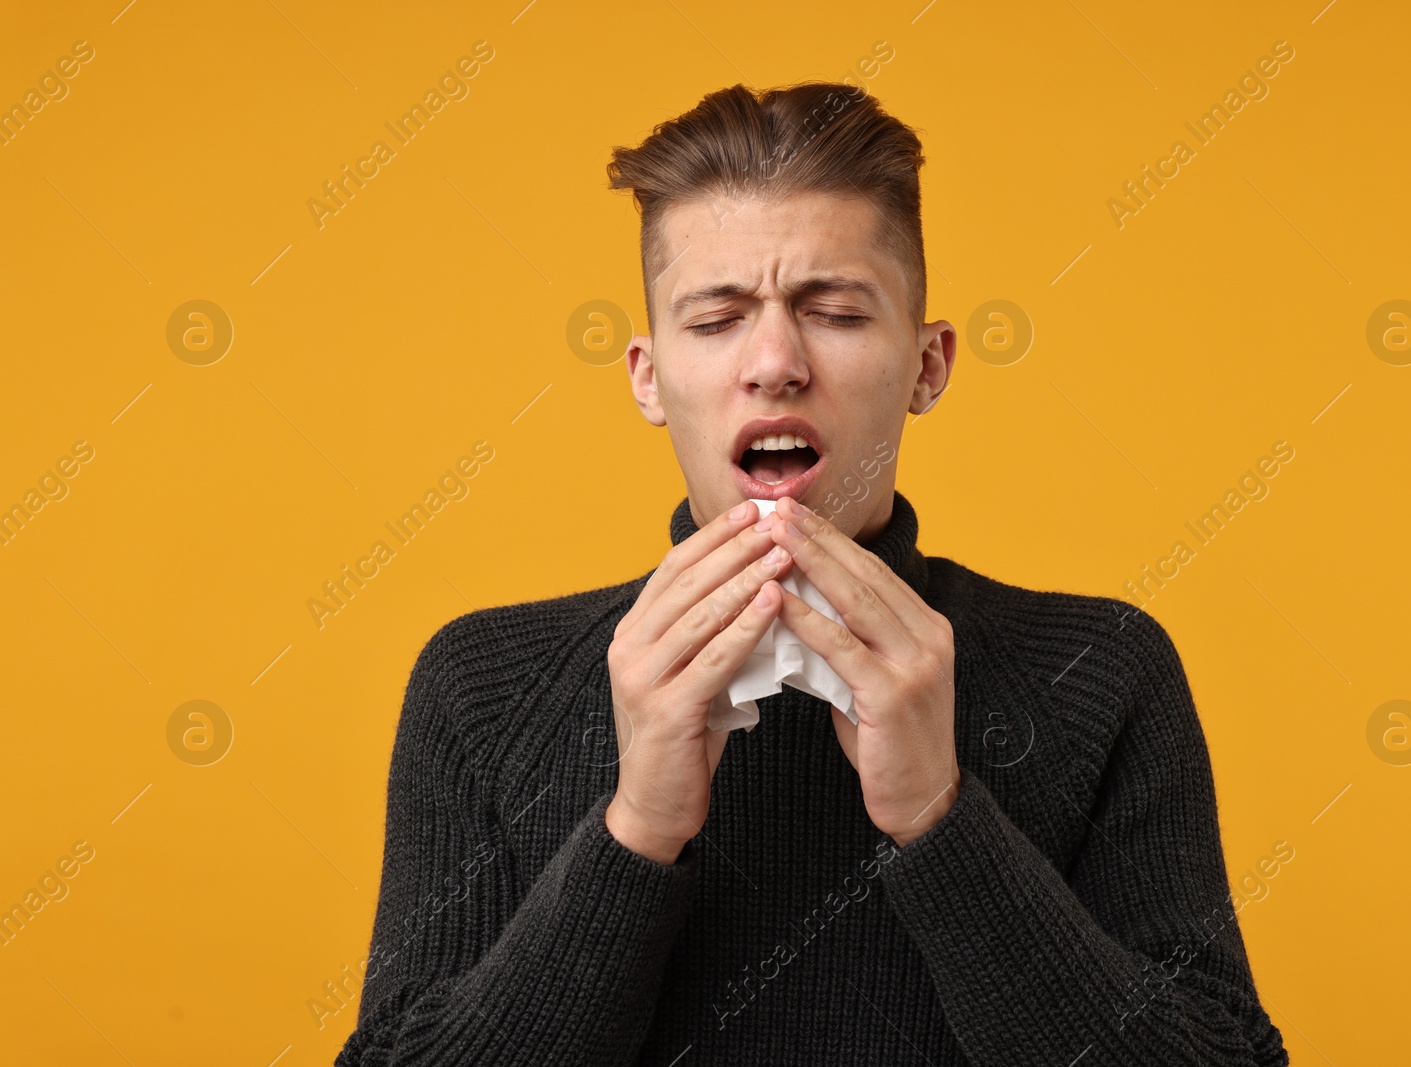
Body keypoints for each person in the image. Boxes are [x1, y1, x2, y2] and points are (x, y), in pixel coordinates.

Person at [334, 82, 1290, 1066]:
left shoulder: (1099, 669)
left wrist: (939, 814)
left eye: (833, 311)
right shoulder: (485, 685)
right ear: (648, 377)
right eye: (715, 320)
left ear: (926, 367)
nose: (777, 361)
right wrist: (636, 830)